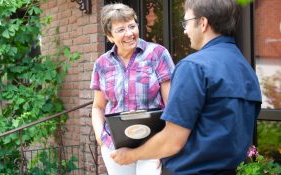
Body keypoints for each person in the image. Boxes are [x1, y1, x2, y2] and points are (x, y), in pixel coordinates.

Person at [110, 0, 262, 174]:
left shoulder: (193, 66)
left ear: (203, 23)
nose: (185, 30)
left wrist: (130, 155)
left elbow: (172, 140)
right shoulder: (247, 70)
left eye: (186, 22)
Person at [90, 3, 175, 175]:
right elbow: (98, 106)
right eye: (121, 29)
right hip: (115, 146)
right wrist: (101, 138)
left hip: (152, 144)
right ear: (109, 36)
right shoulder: (102, 64)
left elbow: (171, 103)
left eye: (132, 26)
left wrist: (166, 142)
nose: (129, 33)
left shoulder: (157, 54)